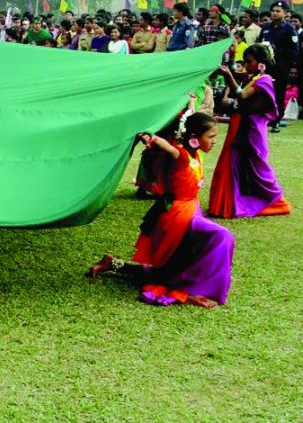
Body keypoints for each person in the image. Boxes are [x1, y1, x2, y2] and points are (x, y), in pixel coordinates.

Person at [88, 113, 234, 308]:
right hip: (178, 215)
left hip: (191, 210)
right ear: (194, 137)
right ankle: (191, 289)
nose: (215, 141)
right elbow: (169, 149)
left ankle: (112, 263)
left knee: (170, 268)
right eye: (210, 136)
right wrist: (153, 138)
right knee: (222, 236)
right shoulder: (181, 155)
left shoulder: (195, 154)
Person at [209, 44, 291, 218]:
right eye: (245, 62)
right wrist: (227, 62)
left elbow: (242, 95)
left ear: (260, 62)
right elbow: (236, 76)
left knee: (258, 167)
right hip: (240, 126)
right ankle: (231, 202)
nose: (246, 65)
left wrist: (229, 77)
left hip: (252, 130)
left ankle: (277, 202)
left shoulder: (265, 79)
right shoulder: (253, 76)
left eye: (249, 62)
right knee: (236, 164)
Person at [257, 1, 299, 133]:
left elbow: (294, 50)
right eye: (273, 11)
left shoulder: (289, 29)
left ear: (285, 13)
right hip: (265, 67)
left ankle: (276, 120)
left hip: (281, 67)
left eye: (278, 11)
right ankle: (264, 119)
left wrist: (291, 66)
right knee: (264, 93)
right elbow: (259, 46)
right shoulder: (266, 28)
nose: (274, 13)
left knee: (278, 94)